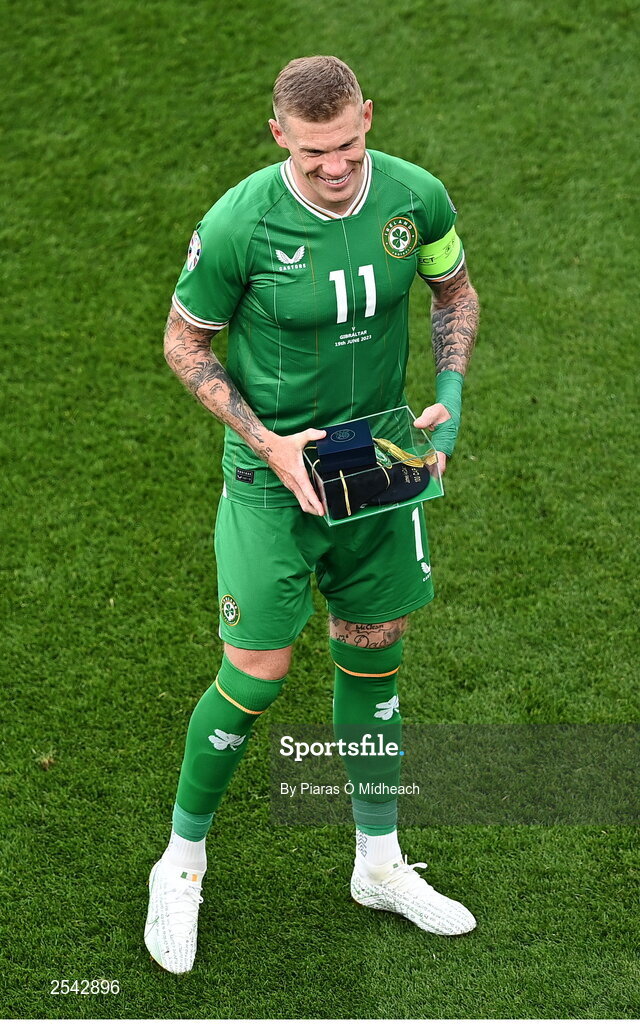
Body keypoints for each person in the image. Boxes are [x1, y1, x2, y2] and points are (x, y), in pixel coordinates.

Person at [144, 55, 480, 974]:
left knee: (375, 648)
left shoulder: (417, 198)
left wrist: (448, 394)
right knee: (255, 673)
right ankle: (180, 863)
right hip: (271, 478)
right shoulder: (242, 220)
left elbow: (454, 292)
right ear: (280, 134)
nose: (337, 165)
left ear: (368, 117)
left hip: (379, 462)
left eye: (350, 144)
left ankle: (378, 862)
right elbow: (183, 340)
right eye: (316, 150)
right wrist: (267, 440)